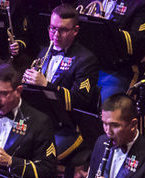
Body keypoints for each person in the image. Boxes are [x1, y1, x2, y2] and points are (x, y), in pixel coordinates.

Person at [22, 4, 99, 159]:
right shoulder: (45, 51)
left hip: (67, 127)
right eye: (52, 28)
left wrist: (46, 86)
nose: (55, 34)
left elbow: (81, 100)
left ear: (75, 31)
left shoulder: (86, 60)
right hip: (41, 121)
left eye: (62, 30)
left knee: (38, 158)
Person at [74, 0, 145, 103]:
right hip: (83, 64)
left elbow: (137, 42)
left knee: (106, 109)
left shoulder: (141, 5)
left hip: (116, 69)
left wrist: (106, 28)